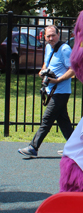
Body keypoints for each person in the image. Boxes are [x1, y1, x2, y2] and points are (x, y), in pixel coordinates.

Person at [18, 25, 75, 157]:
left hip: (61, 92)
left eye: (53, 35)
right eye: (48, 36)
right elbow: (46, 64)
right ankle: (75, 147)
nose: (51, 38)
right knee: (63, 121)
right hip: (51, 91)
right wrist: (42, 72)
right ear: (44, 37)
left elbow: (73, 69)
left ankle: (33, 147)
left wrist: (58, 80)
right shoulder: (48, 47)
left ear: (59, 35)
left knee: (47, 119)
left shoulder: (65, 49)